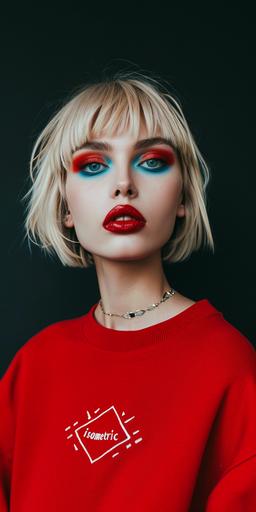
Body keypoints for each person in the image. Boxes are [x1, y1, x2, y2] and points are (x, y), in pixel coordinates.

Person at [1, 70, 256, 511]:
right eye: (94, 165)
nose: (124, 184)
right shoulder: (34, 365)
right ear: (64, 204)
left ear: (182, 199)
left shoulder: (227, 364)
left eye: (152, 161)